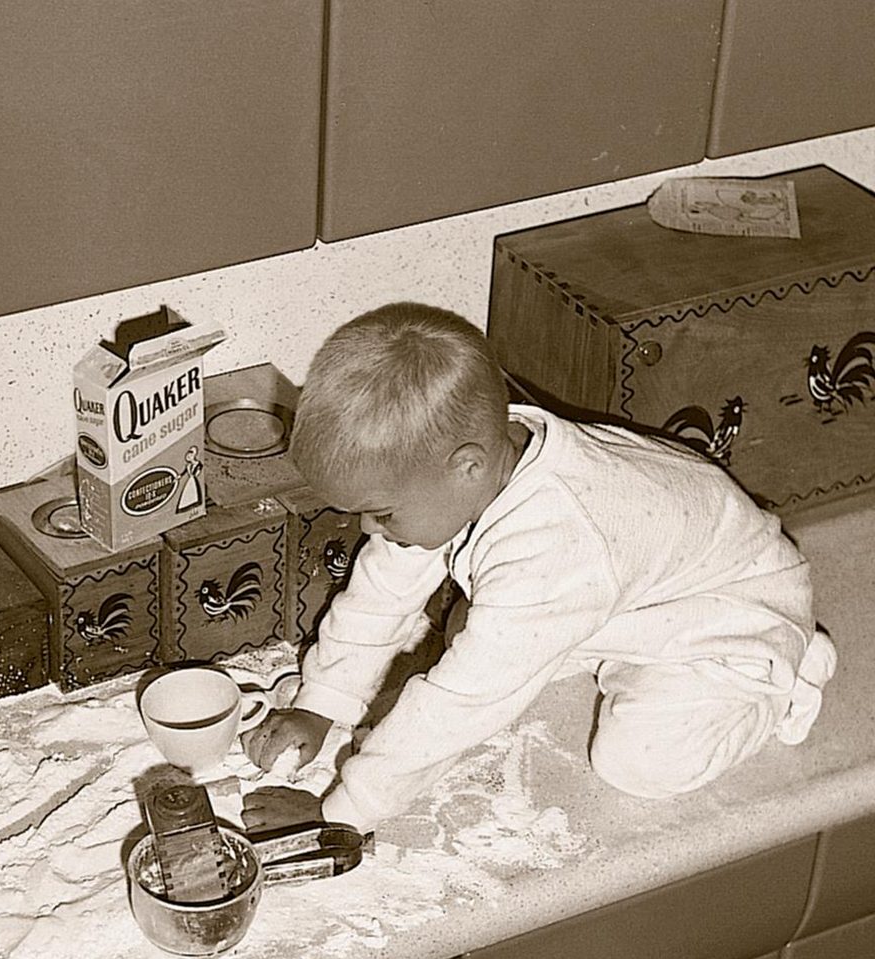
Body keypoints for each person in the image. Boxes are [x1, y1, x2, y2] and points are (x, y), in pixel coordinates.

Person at [241, 302, 836, 833]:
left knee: (636, 763)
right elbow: (380, 591)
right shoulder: (479, 459)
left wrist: (342, 811)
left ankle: (783, 678)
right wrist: (323, 701)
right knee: (473, 632)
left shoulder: (553, 544)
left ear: (468, 467)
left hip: (727, 622)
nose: (370, 530)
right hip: (648, 588)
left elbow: (460, 705)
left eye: (380, 513)